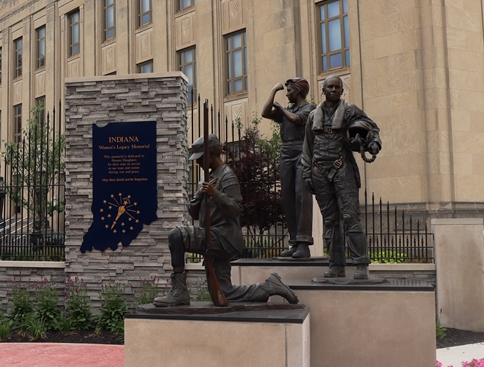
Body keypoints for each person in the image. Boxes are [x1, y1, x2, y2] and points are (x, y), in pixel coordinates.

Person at [153, 133, 299, 306]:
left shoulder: (227, 176)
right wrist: (199, 195)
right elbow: (193, 214)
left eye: (200, 158)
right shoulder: (205, 179)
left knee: (176, 235)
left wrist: (215, 194)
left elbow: (236, 209)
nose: (197, 162)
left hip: (225, 236)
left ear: (213, 153)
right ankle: (269, 286)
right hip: (213, 235)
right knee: (224, 293)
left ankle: (180, 291)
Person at [301, 76, 382, 280]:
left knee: (350, 217)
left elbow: (372, 128)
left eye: (337, 87)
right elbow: (307, 148)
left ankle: (361, 264)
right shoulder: (312, 116)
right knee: (330, 221)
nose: (334, 90)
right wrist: (307, 173)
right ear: (323, 89)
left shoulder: (350, 110)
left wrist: (373, 143)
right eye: (330, 87)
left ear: (342, 91)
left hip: (342, 168)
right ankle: (336, 265)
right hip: (319, 171)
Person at [262, 78, 316, 259]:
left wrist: (281, 108)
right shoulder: (287, 110)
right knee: (287, 195)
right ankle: (294, 242)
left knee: (302, 195)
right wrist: (273, 90)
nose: (287, 94)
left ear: (299, 92)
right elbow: (264, 112)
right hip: (286, 151)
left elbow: (295, 119)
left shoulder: (309, 109)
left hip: (302, 150)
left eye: (289, 91)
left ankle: (304, 243)